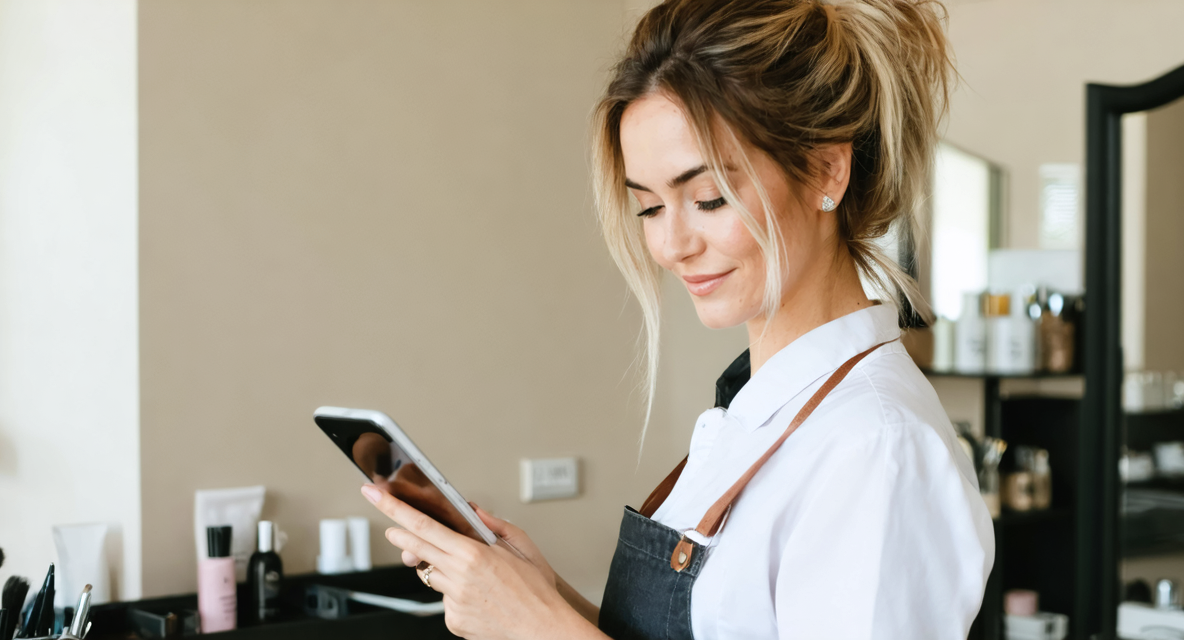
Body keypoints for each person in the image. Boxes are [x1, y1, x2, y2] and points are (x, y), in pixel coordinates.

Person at [359, 0, 994, 637]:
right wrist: (536, 591)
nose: (671, 245)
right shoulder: (755, 415)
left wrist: (537, 627)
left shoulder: (876, 447)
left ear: (827, 168)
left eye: (707, 198)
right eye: (650, 208)